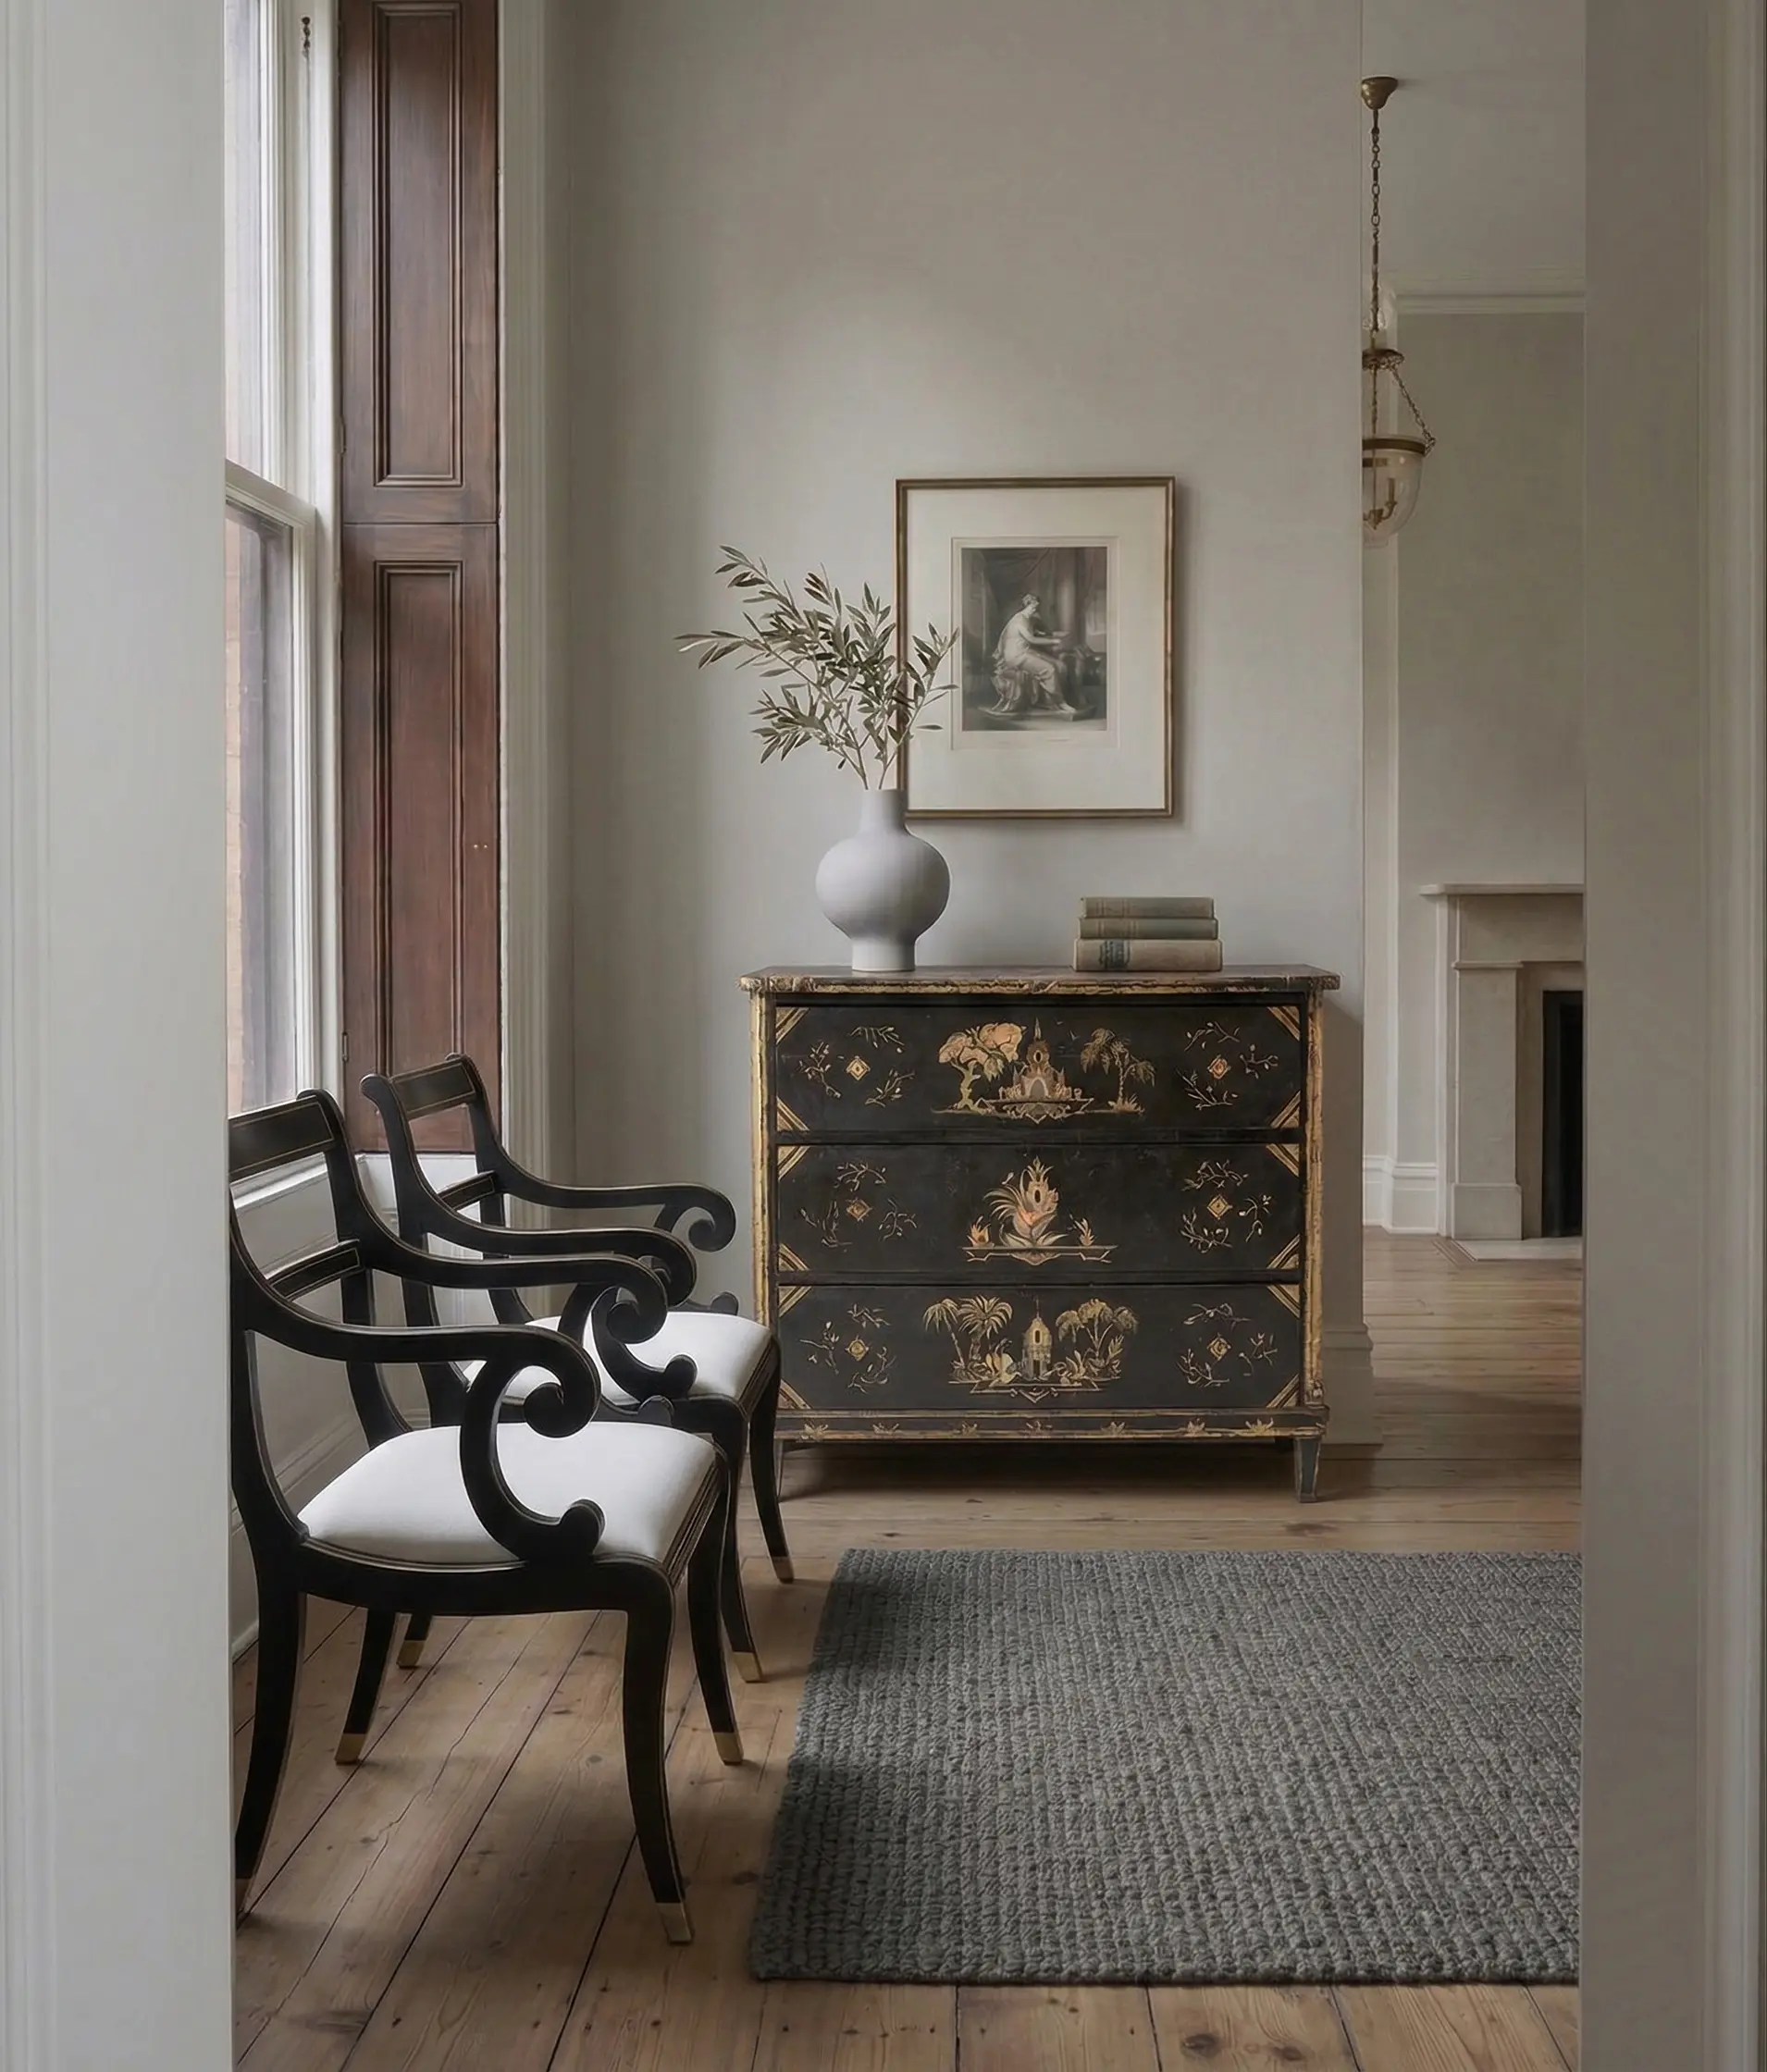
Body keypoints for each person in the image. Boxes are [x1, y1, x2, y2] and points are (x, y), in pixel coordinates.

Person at [989, 593, 1071, 714]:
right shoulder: (1019, 620)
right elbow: (1031, 639)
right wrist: (1053, 641)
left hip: (1023, 652)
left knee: (1058, 664)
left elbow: (1039, 634)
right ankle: (1059, 702)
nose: (1034, 610)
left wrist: (1057, 635)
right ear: (1026, 606)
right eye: (1032, 607)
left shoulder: (1027, 619)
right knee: (1049, 669)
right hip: (1016, 657)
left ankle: (1048, 701)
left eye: (1035, 608)